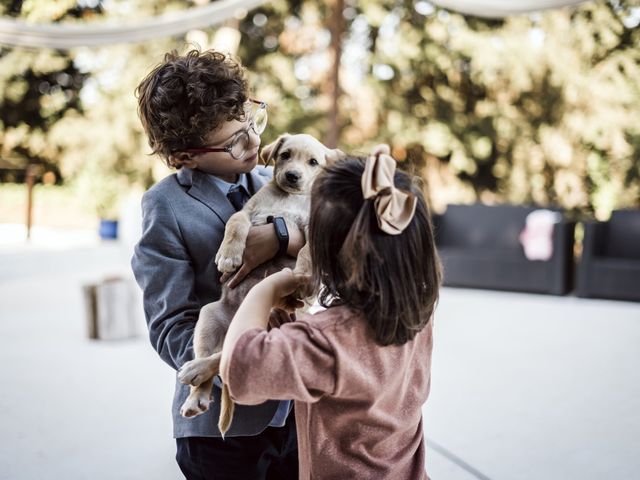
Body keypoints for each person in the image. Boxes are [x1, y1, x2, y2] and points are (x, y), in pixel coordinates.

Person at [131, 49, 303, 480]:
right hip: (219, 435)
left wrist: (285, 236)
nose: (254, 143)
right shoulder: (165, 206)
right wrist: (243, 368)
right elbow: (171, 325)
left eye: (252, 123)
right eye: (235, 142)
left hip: (298, 415)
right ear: (184, 157)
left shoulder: (278, 180)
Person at [219, 151, 442, 480]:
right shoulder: (416, 314)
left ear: (325, 251)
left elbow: (240, 370)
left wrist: (263, 292)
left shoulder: (326, 340)